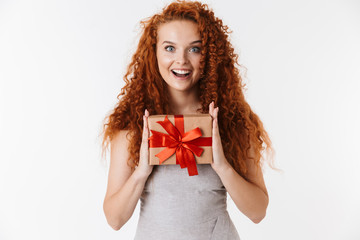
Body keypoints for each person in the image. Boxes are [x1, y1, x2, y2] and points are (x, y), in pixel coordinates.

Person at [100, 1, 275, 239]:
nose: (181, 60)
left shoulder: (232, 122)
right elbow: (114, 220)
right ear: (154, 52)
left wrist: (222, 166)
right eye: (169, 48)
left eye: (195, 49)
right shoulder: (132, 127)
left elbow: (258, 213)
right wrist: (141, 171)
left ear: (209, 55)